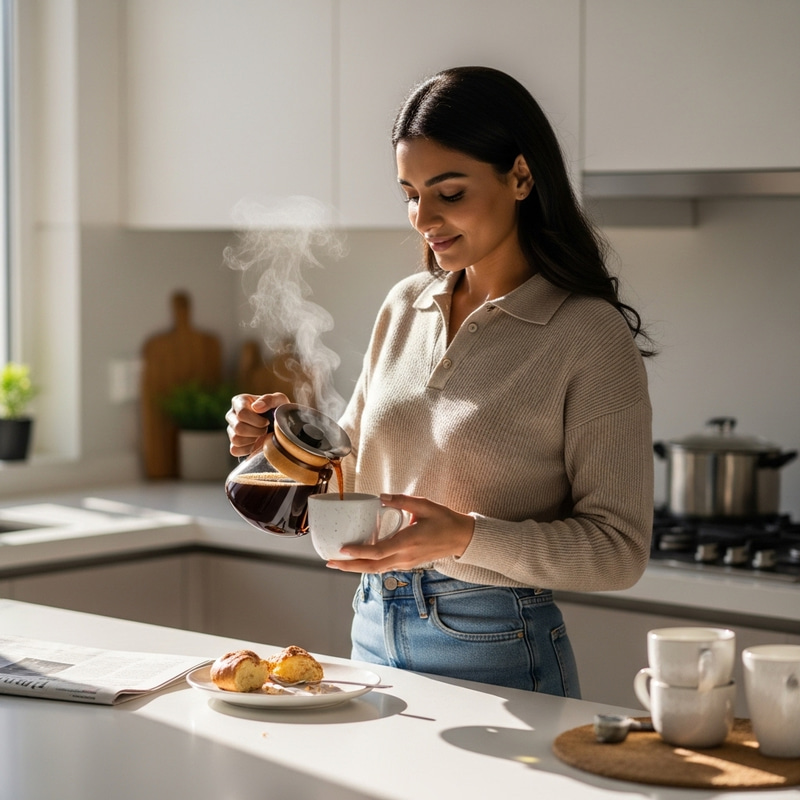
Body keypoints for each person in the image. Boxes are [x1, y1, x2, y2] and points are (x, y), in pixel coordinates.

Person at [226, 66, 654, 697]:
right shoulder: (405, 305)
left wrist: (465, 534)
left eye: (449, 193)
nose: (422, 218)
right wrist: (282, 439)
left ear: (520, 176)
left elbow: (620, 550)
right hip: (372, 624)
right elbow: (353, 464)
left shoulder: (587, 335)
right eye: (409, 193)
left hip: (497, 641)